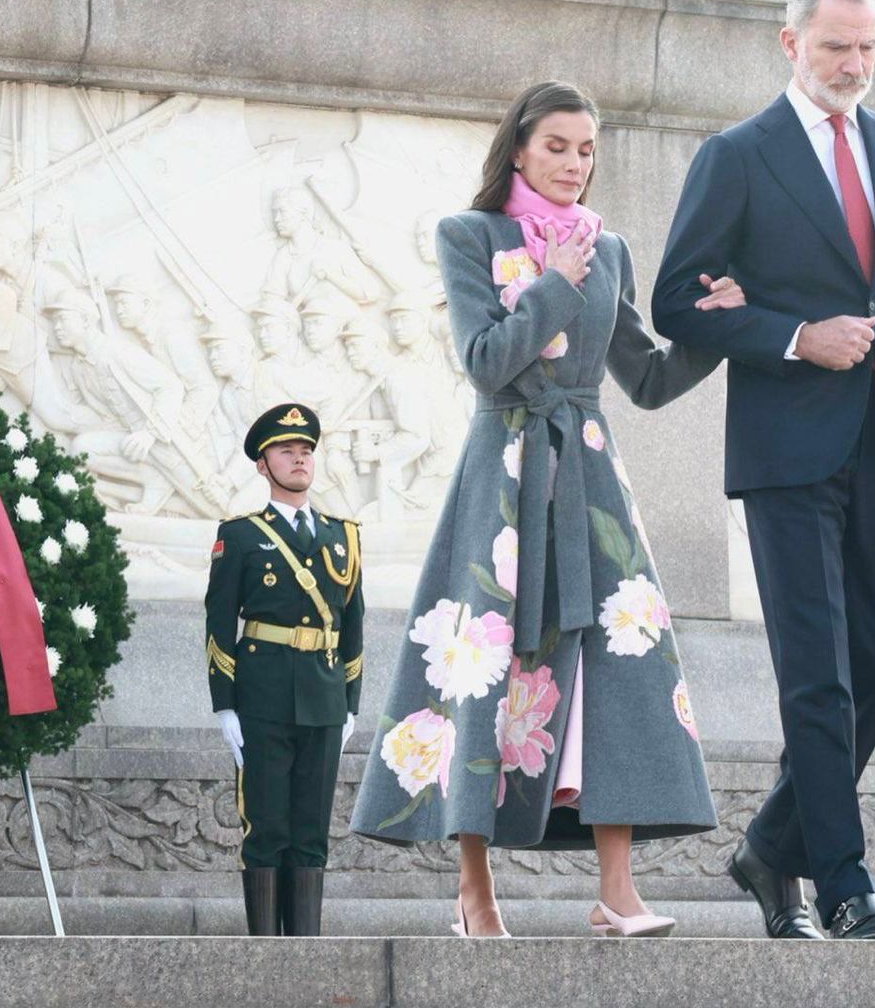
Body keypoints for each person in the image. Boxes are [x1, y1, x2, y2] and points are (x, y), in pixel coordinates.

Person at [348, 81, 744, 938]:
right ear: (519, 149)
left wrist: (716, 332)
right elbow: (487, 362)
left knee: (620, 657)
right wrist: (554, 284)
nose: (574, 163)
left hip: (593, 478)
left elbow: (645, 378)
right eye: (558, 146)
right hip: (503, 477)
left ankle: (617, 892)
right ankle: (474, 893)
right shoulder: (469, 236)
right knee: (484, 663)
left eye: (588, 149)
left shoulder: (610, 249)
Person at [649, 0, 875, 940]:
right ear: (792, 44)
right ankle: (843, 882)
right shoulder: (738, 154)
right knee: (816, 675)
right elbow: (673, 301)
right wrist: (791, 333)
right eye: (836, 47)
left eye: (867, 47)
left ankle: (768, 849)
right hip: (787, 446)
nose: (854, 64)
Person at [206, 403, 364, 936]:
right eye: (285, 450)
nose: (298, 459)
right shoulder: (242, 535)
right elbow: (219, 621)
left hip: (323, 698)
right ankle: (266, 958)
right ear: (262, 465)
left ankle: (306, 953)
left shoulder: (344, 536)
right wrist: (224, 704)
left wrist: (351, 704)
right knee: (267, 827)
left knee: (311, 831)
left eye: (305, 451)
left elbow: (353, 626)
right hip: (263, 696)